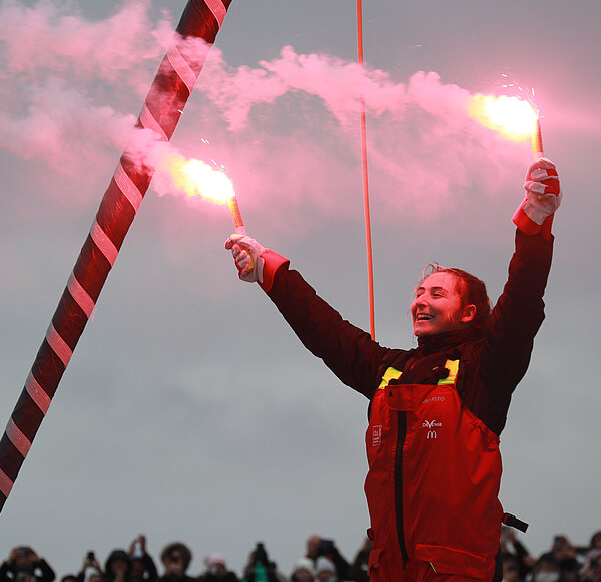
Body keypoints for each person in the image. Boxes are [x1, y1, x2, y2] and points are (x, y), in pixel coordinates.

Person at [224, 157, 561, 582]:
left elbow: (522, 303)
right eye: (419, 292)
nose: (420, 301)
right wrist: (269, 271)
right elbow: (326, 332)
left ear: (470, 312)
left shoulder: (485, 367)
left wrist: (534, 225)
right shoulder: (390, 372)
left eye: (437, 294)